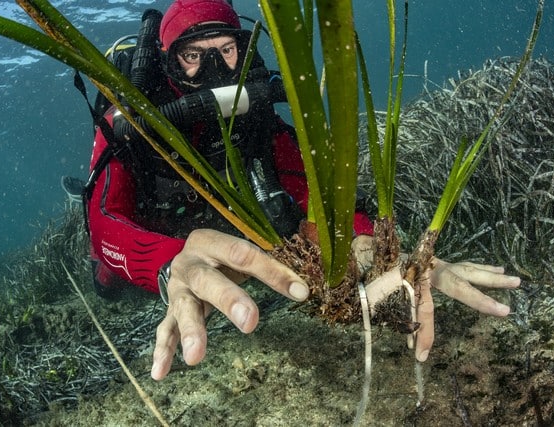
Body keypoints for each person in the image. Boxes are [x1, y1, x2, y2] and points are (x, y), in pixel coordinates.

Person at [76, 0, 520, 381]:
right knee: (109, 284)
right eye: (193, 55)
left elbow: (308, 192)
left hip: (229, 228)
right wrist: (169, 262)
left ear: (243, 49)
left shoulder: (255, 112)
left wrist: (367, 243)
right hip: (158, 236)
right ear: (168, 59)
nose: (214, 70)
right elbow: (103, 223)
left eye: (227, 50)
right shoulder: (132, 120)